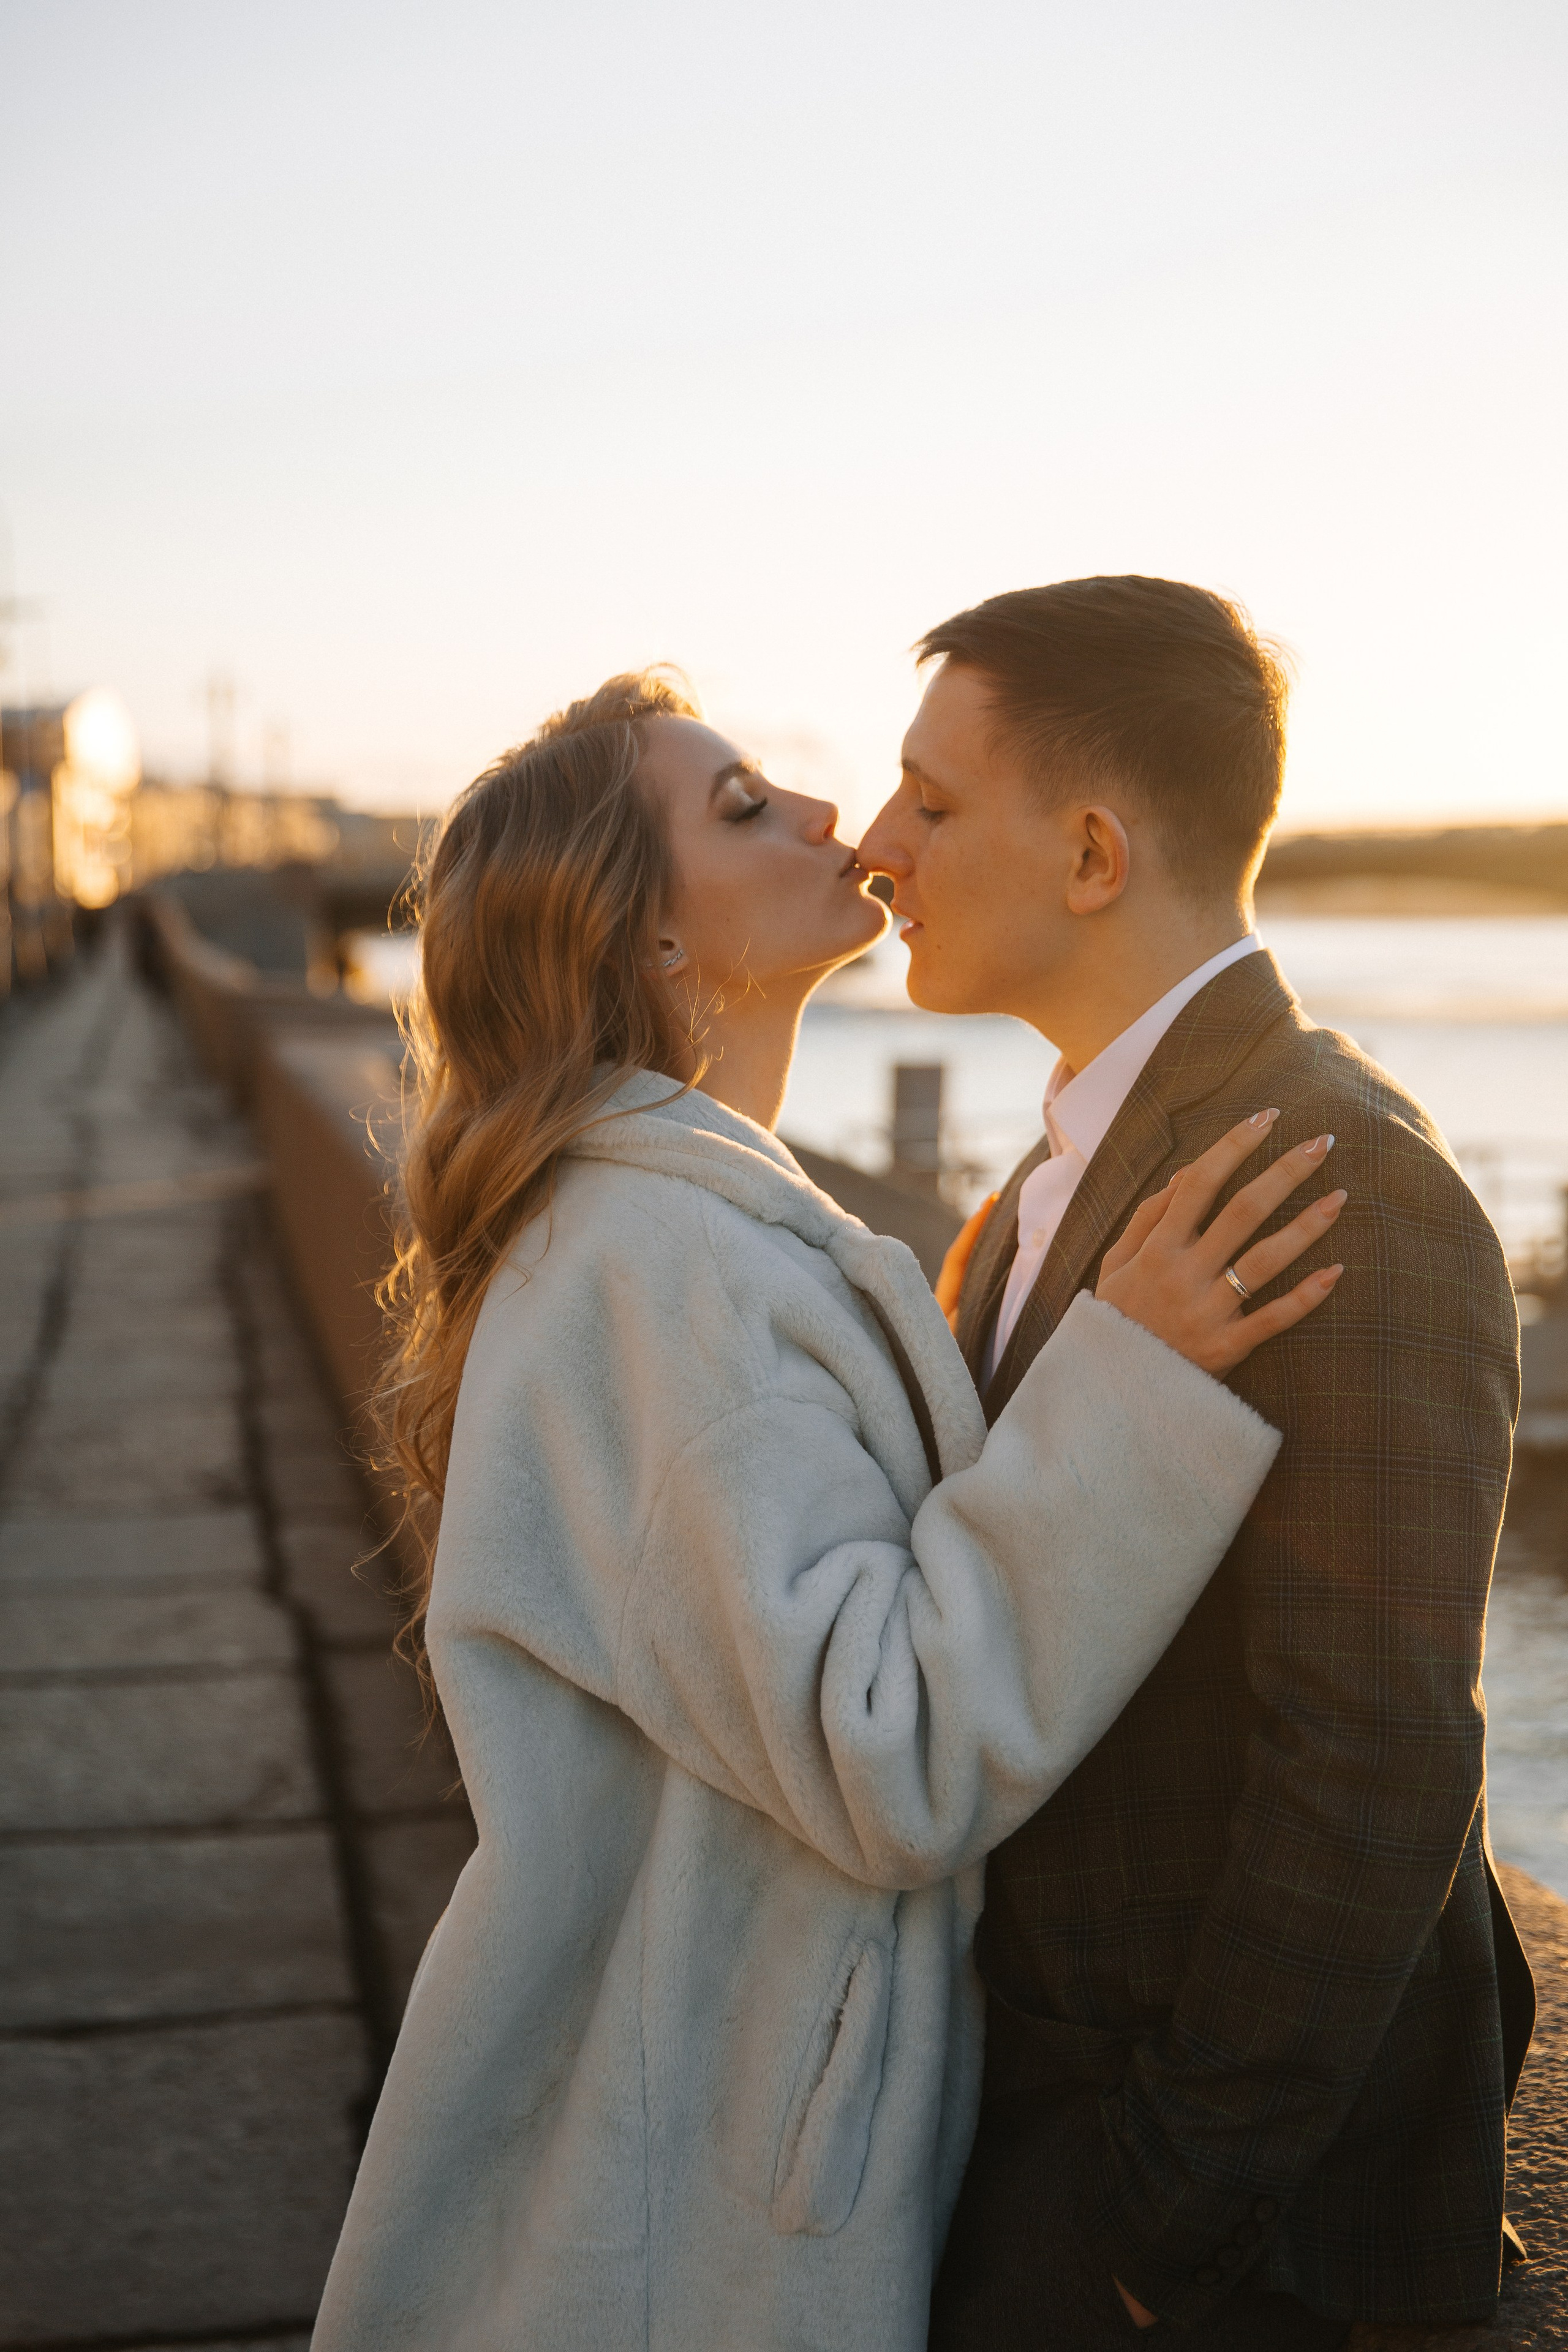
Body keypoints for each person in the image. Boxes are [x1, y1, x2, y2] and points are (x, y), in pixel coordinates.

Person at [310, 670, 1343, 2352]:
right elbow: (890, 1747)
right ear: (642, 940)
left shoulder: (672, 1231)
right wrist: (1132, 1388)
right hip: (690, 2224)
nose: (830, 819)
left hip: (681, 2143)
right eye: (739, 807)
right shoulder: (665, 1271)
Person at [858, 576, 1534, 2351]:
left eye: (931, 801)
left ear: (1094, 855)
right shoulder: (1045, 1182)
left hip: (1221, 2254)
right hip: (1039, 2148)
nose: (874, 844)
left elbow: (1382, 1750)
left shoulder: (1343, 1181)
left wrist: (1162, 2222)